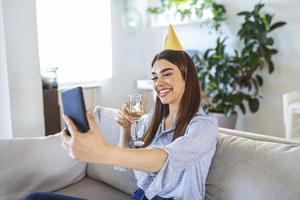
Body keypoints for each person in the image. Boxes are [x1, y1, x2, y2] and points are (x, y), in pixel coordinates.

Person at [25, 25, 217, 200]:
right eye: (154, 77)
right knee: (35, 199)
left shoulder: (203, 127)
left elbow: (164, 159)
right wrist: (125, 129)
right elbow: (128, 164)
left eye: (167, 74)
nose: (158, 83)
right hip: (139, 197)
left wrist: (102, 152)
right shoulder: (152, 119)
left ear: (187, 78)